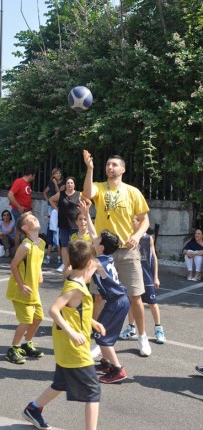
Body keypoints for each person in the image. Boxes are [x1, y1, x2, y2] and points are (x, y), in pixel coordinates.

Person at [22, 240, 105, 430]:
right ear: (89, 264)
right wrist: (73, 333)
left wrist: (93, 322)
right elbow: (54, 310)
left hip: (66, 343)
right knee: (93, 392)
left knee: (61, 382)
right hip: (73, 346)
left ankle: (33, 409)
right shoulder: (75, 287)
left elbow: (73, 311)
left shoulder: (74, 281)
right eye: (95, 264)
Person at [83, 150, 152, 357]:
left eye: (114, 165)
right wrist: (90, 169)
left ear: (122, 169)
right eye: (108, 164)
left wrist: (138, 235)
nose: (110, 167)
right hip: (104, 252)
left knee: (135, 297)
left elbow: (145, 219)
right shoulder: (100, 187)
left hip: (128, 251)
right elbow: (87, 194)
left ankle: (142, 337)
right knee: (99, 298)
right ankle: (98, 340)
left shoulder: (133, 192)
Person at [5, 212, 45, 365]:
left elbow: (38, 261)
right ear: (25, 227)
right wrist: (21, 285)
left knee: (38, 318)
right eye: (31, 219)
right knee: (26, 320)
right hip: (21, 288)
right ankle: (13, 349)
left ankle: (27, 343)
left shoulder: (41, 242)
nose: (36, 218)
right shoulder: (26, 245)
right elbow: (13, 265)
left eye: (35, 217)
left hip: (33, 288)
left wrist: (40, 274)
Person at [91, 230, 130, 383]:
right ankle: (107, 363)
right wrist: (86, 214)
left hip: (116, 302)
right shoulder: (105, 256)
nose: (94, 238)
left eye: (98, 239)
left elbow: (84, 276)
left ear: (101, 247)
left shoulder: (97, 262)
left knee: (101, 337)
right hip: (119, 301)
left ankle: (118, 369)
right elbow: (93, 234)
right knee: (102, 331)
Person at [120, 218, 166, 344]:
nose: (131, 222)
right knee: (132, 301)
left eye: (133, 220)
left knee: (152, 302)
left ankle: (158, 329)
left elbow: (154, 257)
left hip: (147, 276)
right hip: (133, 275)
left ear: (139, 223)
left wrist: (155, 276)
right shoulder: (127, 237)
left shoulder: (147, 238)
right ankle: (131, 328)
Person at [49, 177, 84, 273]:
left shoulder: (79, 194)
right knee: (64, 245)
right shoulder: (61, 194)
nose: (69, 185)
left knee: (76, 245)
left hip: (75, 224)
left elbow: (88, 202)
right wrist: (56, 209)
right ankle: (65, 264)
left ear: (74, 185)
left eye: (71, 183)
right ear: (65, 185)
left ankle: (76, 264)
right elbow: (51, 200)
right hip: (63, 223)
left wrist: (83, 212)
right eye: (68, 183)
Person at [7, 167, 36, 249]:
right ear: (30, 175)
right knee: (20, 231)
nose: (34, 178)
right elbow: (10, 195)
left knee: (25, 230)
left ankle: (22, 250)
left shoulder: (27, 183)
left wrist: (30, 208)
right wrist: (18, 206)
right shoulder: (19, 182)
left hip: (26, 210)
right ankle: (18, 251)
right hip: (20, 210)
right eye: (34, 176)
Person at [43, 168, 64, 265]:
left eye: (59, 173)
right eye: (56, 173)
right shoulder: (50, 183)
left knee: (58, 231)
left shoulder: (63, 184)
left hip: (59, 207)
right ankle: (48, 256)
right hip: (51, 207)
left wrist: (55, 183)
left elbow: (58, 192)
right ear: (53, 174)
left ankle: (59, 257)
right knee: (51, 229)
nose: (58, 174)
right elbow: (45, 192)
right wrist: (48, 200)